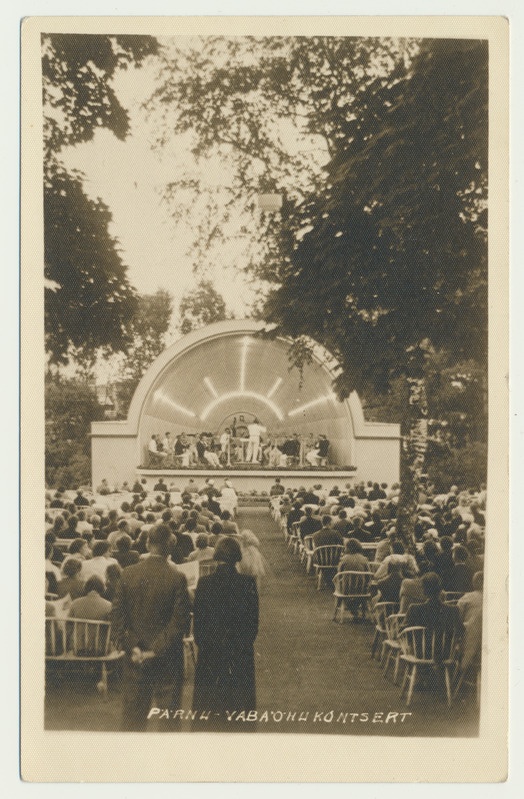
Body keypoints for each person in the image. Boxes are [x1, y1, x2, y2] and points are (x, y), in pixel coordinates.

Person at [111, 524, 191, 731]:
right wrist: (155, 650)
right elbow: (179, 622)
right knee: (168, 721)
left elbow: (118, 617)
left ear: (147, 544)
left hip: (135, 656)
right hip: (167, 657)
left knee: (132, 720)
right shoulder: (177, 578)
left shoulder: (127, 574)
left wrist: (134, 647)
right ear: (170, 547)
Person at [192, 537, 259, 731]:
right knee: (239, 709)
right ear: (237, 557)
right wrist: (242, 645)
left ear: (217, 556)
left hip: (210, 653)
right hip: (239, 653)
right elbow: (253, 623)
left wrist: (205, 644)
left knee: (209, 711)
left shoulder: (204, 584)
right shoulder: (248, 583)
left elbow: (199, 622)